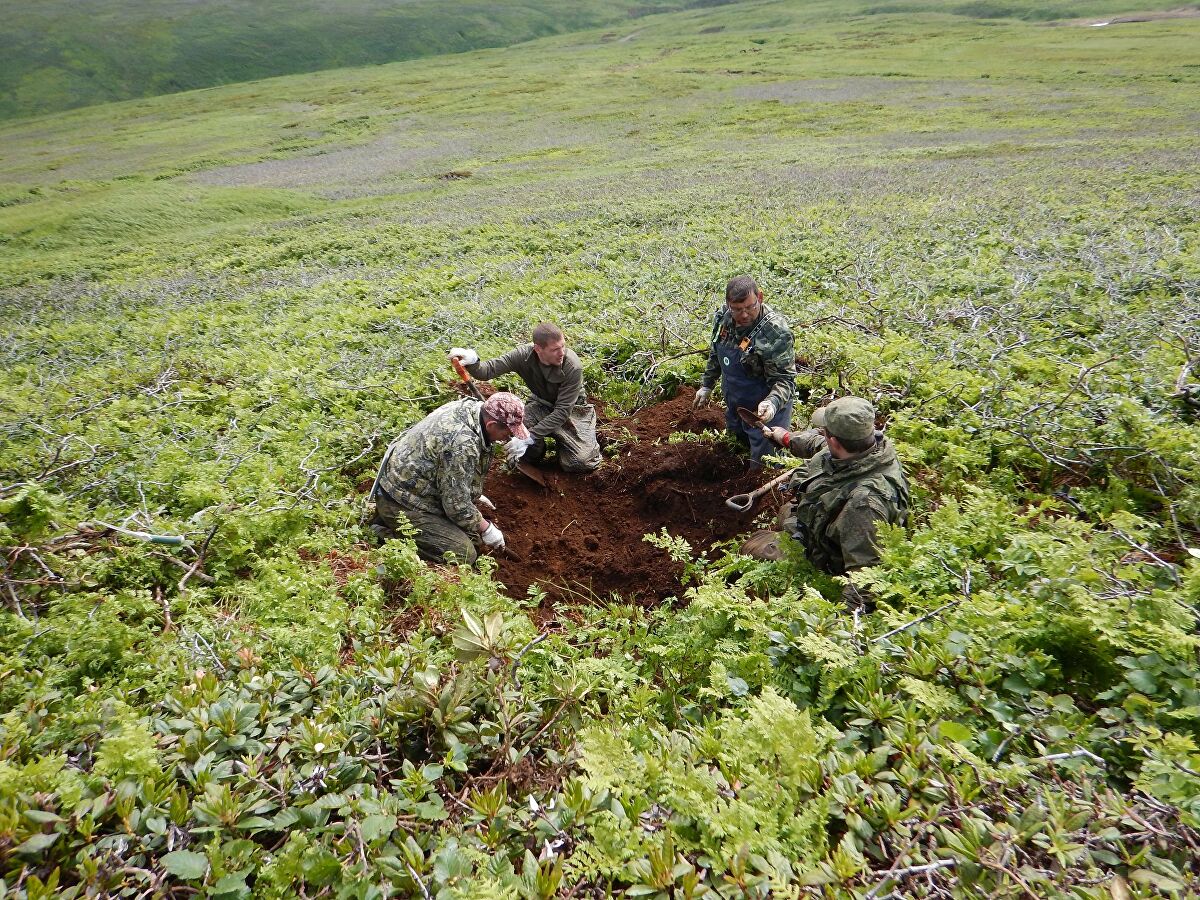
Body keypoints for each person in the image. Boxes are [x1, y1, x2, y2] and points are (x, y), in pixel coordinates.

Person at [742, 396, 910, 610]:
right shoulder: (868, 448)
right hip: (819, 523)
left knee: (755, 548)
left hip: (832, 559)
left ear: (835, 442)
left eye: (825, 431)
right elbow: (816, 444)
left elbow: (866, 584)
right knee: (785, 513)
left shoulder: (864, 506)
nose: (822, 435)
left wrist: (828, 625)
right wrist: (784, 437)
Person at [370, 392, 529, 564]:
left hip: (414, 486)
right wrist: (487, 529)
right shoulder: (462, 444)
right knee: (465, 553)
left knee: (473, 537)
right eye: (508, 432)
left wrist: (472, 492)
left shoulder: (471, 409)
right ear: (491, 425)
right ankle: (385, 532)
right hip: (403, 502)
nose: (509, 437)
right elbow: (456, 506)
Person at [449, 323, 602, 473]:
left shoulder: (572, 366)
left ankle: (563, 446)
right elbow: (488, 370)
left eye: (563, 346)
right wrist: (474, 362)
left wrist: (530, 437)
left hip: (572, 410)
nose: (561, 352)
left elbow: (562, 412)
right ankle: (535, 454)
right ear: (538, 349)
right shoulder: (523, 355)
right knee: (517, 432)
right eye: (555, 349)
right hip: (540, 404)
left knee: (581, 462)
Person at [693, 275, 796, 467]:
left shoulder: (776, 333)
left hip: (764, 410)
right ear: (728, 304)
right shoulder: (723, 317)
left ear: (760, 297)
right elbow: (716, 351)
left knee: (764, 466)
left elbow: (785, 380)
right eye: (737, 309)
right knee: (736, 453)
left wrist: (772, 404)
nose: (744, 315)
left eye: (750, 307)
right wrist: (707, 385)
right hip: (735, 402)